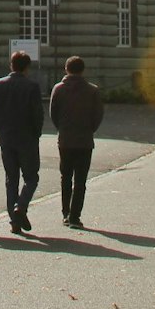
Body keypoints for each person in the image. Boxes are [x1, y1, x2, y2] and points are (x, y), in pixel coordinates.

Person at [0, 50, 44, 233]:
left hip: (7, 139)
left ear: (11, 65)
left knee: (11, 180)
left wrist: (0, 131)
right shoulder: (32, 86)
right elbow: (38, 114)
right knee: (32, 178)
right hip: (27, 139)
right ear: (27, 67)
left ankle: (14, 222)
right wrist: (36, 134)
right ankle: (21, 206)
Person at [49, 55, 105, 228]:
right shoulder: (92, 90)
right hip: (85, 140)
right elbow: (98, 115)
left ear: (66, 69)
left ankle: (65, 213)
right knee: (80, 180)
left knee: (65, 177)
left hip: (65, 139)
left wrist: (62, 129)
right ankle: (75, 216)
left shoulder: (58, 89)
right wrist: (90, 129)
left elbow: (53, 114)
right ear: (82, 71)